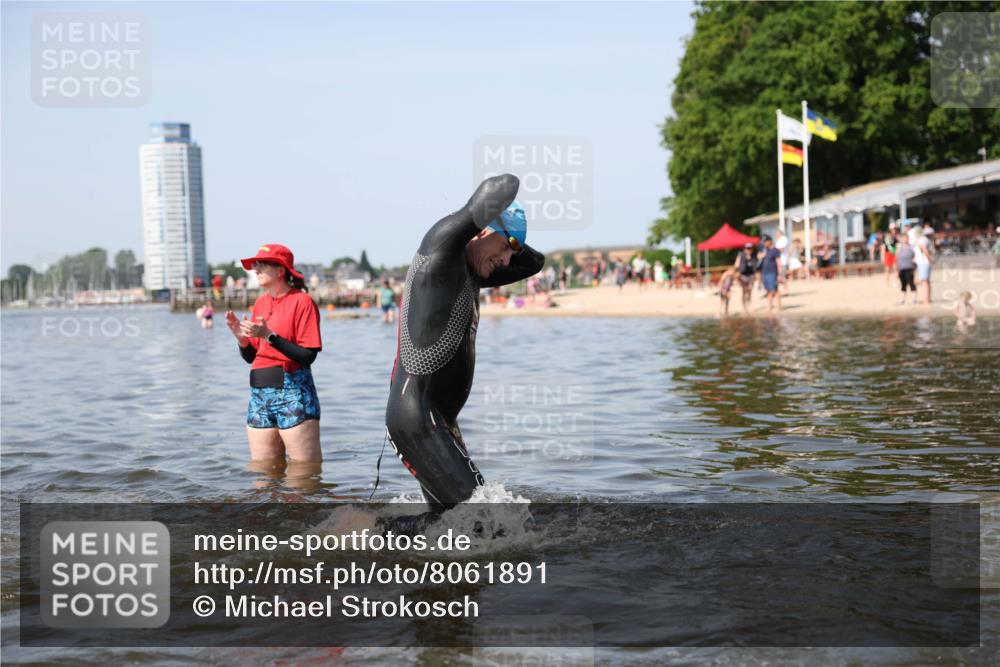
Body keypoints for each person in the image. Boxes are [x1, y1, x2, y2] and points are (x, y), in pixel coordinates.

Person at [384, 174, 544, 510]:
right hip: (416, 417)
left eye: (510, 251)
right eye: (504, 247)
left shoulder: (473, 272)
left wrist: (512, 236)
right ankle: (368, 536)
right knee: (483, 522)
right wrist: (491, 219)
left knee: (452, 526)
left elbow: (535, 262)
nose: (506, 261)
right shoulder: (441, 251)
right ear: (482, 229)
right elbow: (505, 185)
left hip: (440, 420)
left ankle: (373, 537)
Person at [226, 244, 323, 462]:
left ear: (281, 270)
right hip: (259, 396)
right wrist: (241, 339)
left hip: (293, 393)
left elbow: (309, 356)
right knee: (263, 476)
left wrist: (270, 336)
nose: (256, 269)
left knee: (303, 477)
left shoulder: (302, 301)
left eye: (262, 264)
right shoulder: (261, 302)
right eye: (255, 265)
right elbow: (252, 356)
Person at [758, 235, 783, 314]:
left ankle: (778, 307)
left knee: (775, 290)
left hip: (772, 272)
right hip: (765, 273)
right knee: (768, 290)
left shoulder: (775, 251)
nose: (764, 243)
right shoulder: (764, 250)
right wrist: (761, 256)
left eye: (765, 241)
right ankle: (770, 307)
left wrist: (779, 274)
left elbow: (779, 263)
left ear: (770, 241)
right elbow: (758, 257)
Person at [734, 242, 757, 314]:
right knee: (744, 291)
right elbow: (736, 265)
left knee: (750, 291)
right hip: (743, 276)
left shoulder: (753, 256)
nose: (749, 250)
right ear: (745, 249)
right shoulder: (741, 256)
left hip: (751, 276)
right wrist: (736, 274)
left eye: (750, 248)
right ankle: (744, 308)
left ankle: (749, 306)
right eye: (747, 248)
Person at [895, 235, 918, 305]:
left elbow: (915, 257)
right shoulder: (899, 247)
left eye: (906, 238)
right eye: (904, 239)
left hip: (910, 268)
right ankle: (902, 300)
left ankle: (914, 299)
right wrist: (897, 269)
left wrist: (914, 267)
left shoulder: (912, 247)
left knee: (911, 283)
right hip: (902, 269)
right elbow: (897, 258)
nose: (905, 240)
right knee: (903, 284)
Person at [914, 228, 934, 304]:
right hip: (926, 263)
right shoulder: (928, 240)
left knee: (924, 282)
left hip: (923, 262)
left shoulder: (922, 239)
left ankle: (926, 300)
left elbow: (924, 249)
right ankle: (928, 298)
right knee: (927, 281)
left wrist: (929, 259)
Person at [775, 229, 790, 296]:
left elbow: (781, 250)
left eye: (777, 234)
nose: (776, 235)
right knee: (780, 276)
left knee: (781, 276)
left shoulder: (783, 239)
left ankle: (786, 290)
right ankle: (784, 290)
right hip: (780, 261)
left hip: (782, 261)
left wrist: (773, 252)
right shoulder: (780, 240)